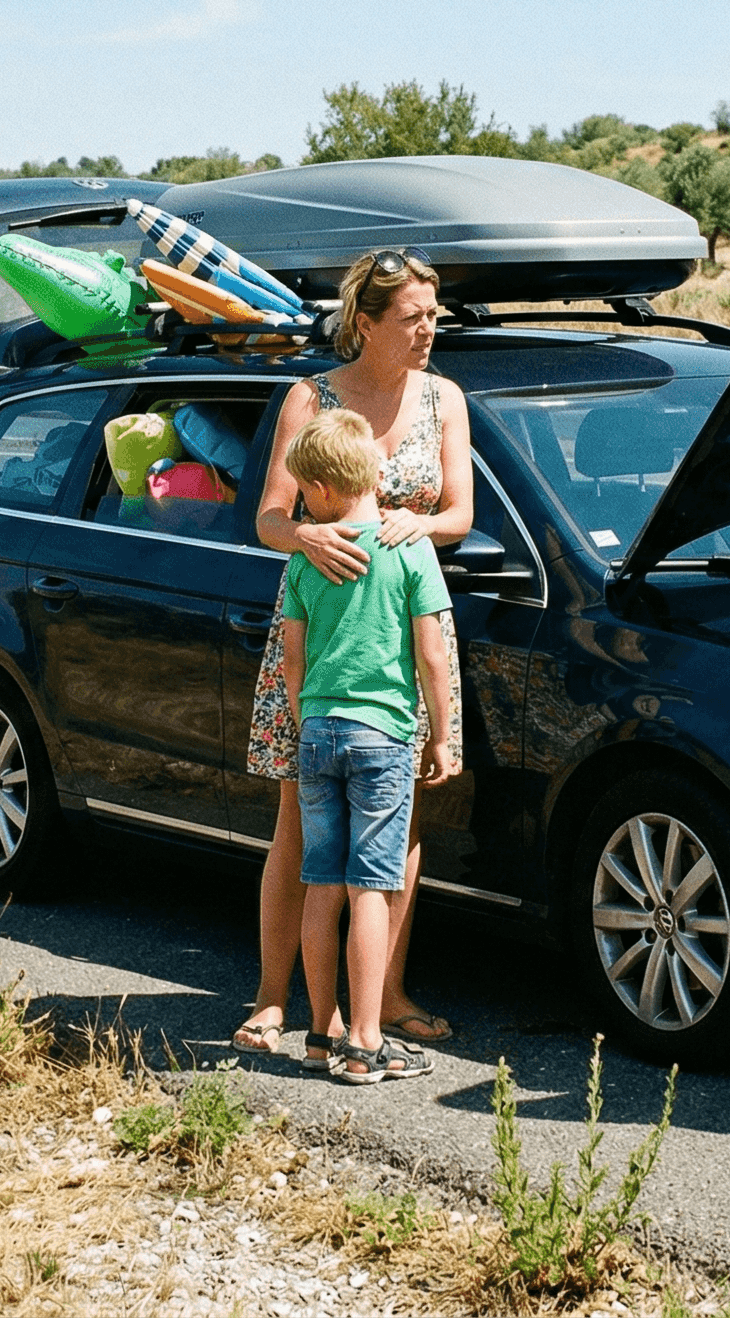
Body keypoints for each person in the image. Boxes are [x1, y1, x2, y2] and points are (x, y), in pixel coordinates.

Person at [234, 248, 472, 1063]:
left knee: (397, 833)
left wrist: (420, 526)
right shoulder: (313, 397)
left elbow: (460, 514)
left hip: (406, 637)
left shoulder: (445, 398)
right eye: (412, 318)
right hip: (320, 632)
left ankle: (385, 998)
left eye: (433, 315)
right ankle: (277, 1001)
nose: (429, 330)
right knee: (298, 826)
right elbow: (268, 515)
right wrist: (307, 534)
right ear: (364, 323)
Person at [278, 409, 459, 1082]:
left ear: (321, 490)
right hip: (382, 735)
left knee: (320, 882)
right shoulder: (408, 549)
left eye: (302, 490)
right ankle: (364, 1041)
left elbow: (292, 660)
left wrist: (305, 719)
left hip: (318, 732)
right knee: (371, 888)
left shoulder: (307, 559)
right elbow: (432, 655)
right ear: (373, 474)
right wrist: (443, 733)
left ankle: (320, 1034)